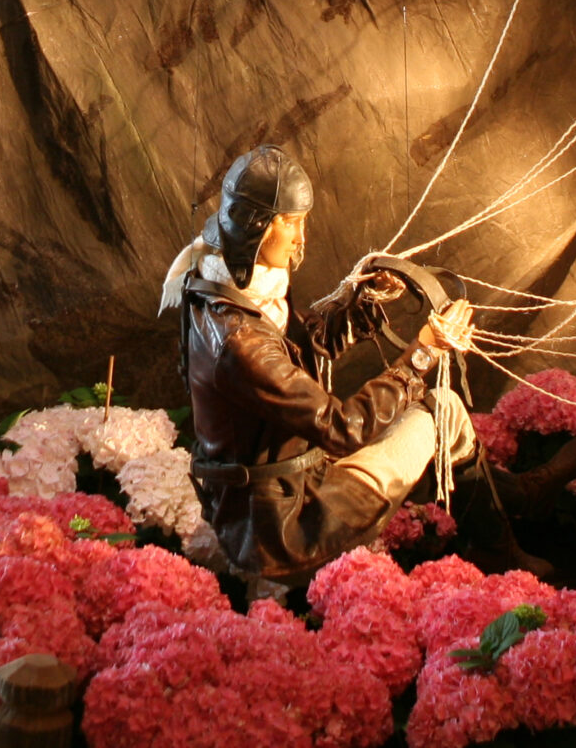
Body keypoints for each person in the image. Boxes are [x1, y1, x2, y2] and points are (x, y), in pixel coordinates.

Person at [164, 146, 478, 589]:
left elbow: (302, 345)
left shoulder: (227, 289)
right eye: (290, 222)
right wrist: (422, 354)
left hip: (285, 495)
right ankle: (500, 536)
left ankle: (507, 512)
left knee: (440, 412)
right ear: (257, 226)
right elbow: (341, 427)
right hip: (286, 526)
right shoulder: (239, 340)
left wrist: (364, 302)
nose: (300, 237)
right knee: (442, 409)